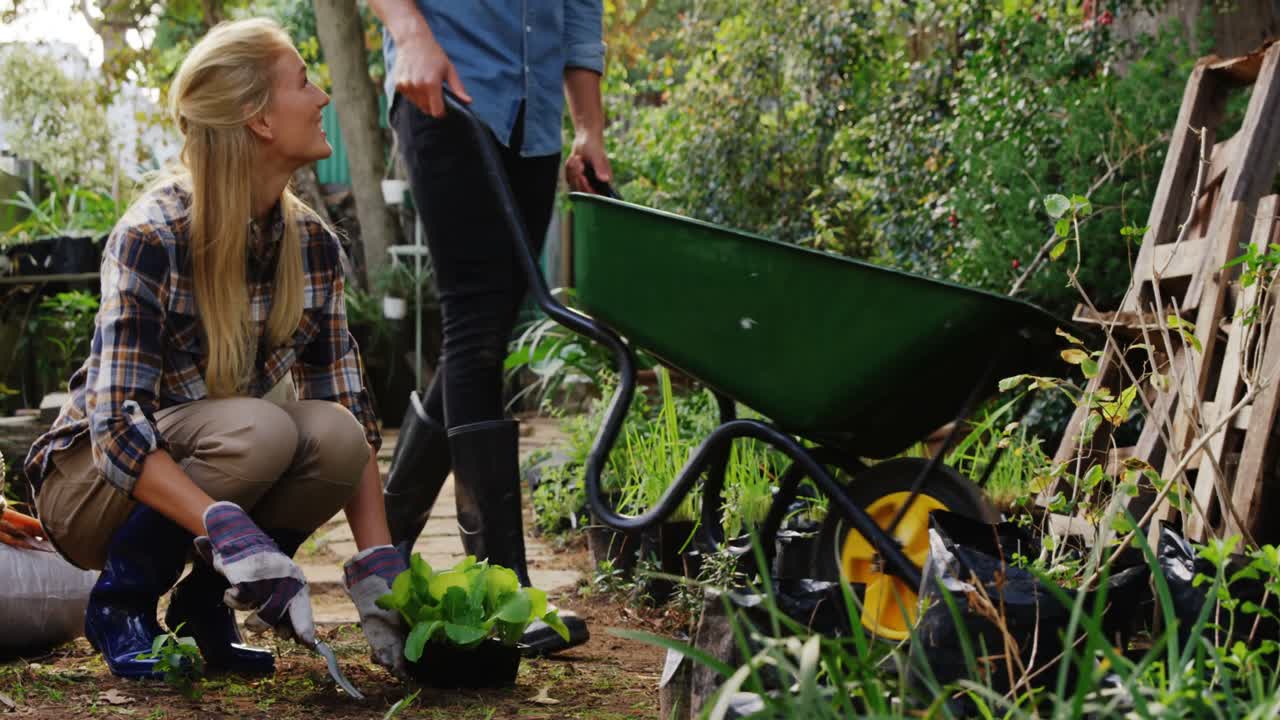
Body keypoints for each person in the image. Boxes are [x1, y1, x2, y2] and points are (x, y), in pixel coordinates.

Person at [23, 18, 407, 680]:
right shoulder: (154, 235)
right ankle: (121, 603)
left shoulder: (312, 246)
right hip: (88, 487)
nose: (322, 99)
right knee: (259, 430)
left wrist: (381, 575)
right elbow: (117, 428)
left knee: (337, 436)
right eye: (304, 83)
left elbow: (351, 413)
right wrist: (229, 530)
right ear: (258, 119)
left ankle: (207, 603)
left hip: (211, 459)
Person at [369, 0, 611, 654]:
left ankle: (387, 533)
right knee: (475, 318)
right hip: (447, 89)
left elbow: (580, 11)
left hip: (535, 118)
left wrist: (590, 127)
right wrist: (410, 33)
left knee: (488, 328)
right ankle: (503, 589)